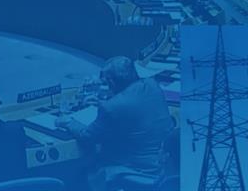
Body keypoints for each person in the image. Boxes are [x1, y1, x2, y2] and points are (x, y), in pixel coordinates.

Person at [58, 56, 174, 191]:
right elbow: (133, 104)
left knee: (77, 174)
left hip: (134, 170)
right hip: (161, 167)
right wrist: (105, 102)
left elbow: (88, 136)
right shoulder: (152, 85)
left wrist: (68, 122)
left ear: (111, 82)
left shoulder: (111, 107)